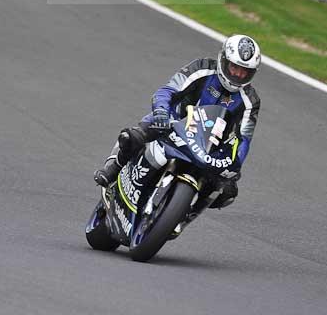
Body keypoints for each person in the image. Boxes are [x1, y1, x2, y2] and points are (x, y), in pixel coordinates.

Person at [94, 34, 261, 211]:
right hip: (174, 122)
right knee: (133, 136)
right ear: (223, 60)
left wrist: (234, 165)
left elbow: (244, 139)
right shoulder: (201, 68)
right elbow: (168, 90)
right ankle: (113, 169)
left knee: (227, 191)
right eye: (235, 67)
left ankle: (186, 213)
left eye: (245, 71)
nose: (238, 74)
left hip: (211, 147)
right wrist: (161, 112)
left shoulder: (250, 100)